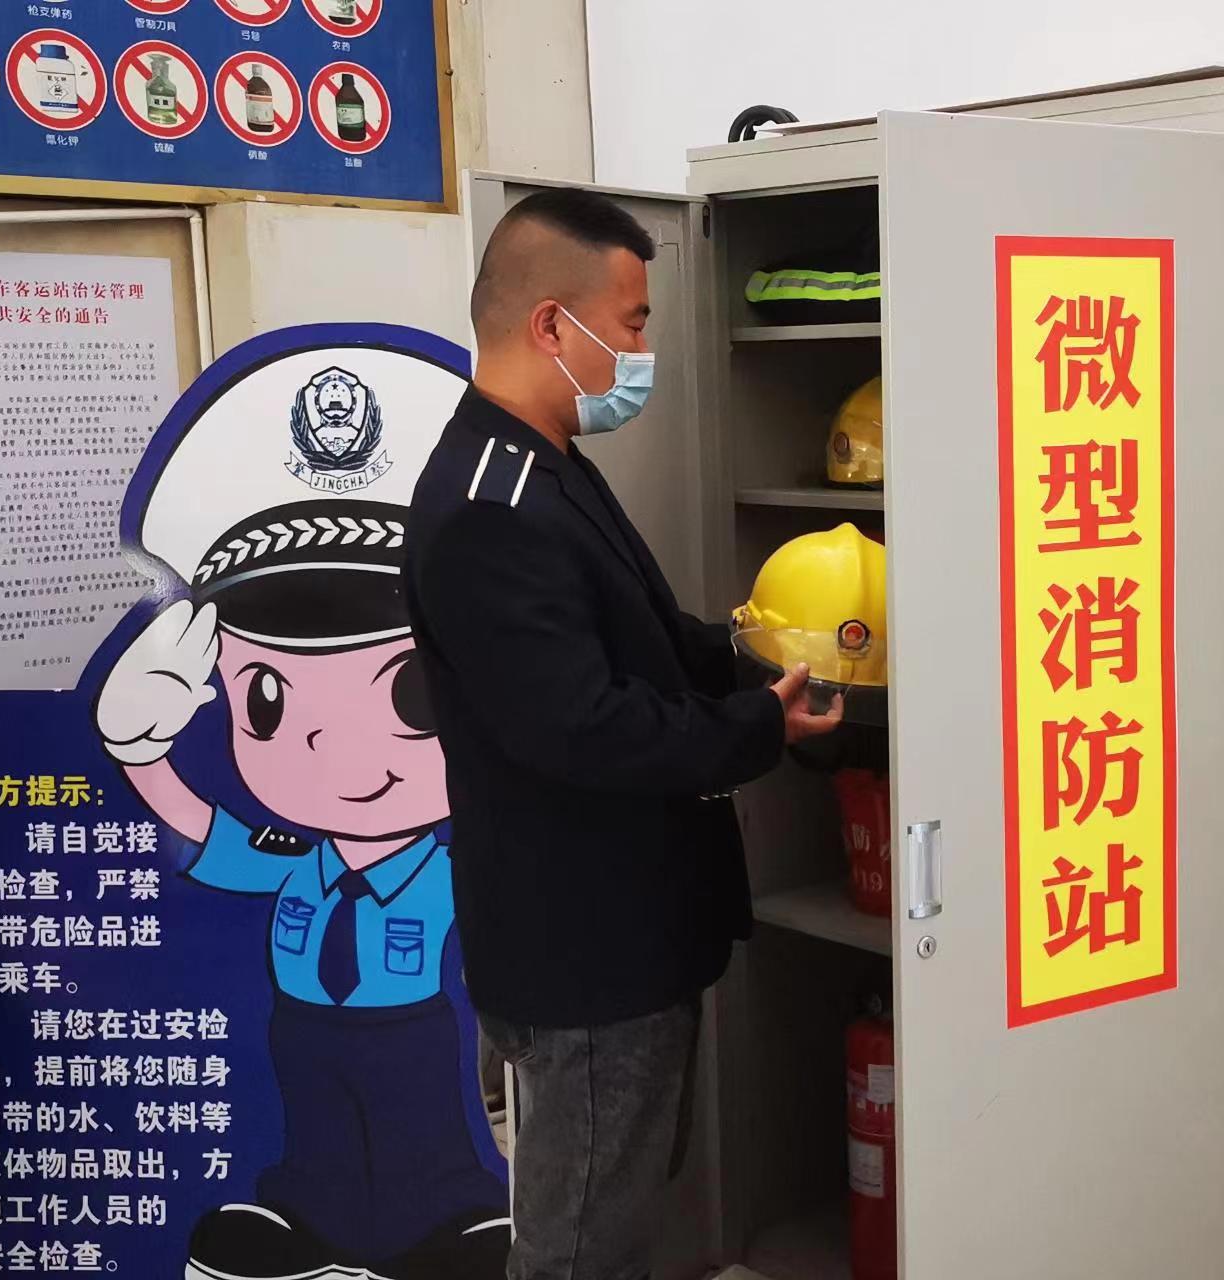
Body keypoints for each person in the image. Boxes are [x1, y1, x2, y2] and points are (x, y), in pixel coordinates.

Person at [404, 189, 842, 1277]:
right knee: (580, 1249)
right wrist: (755, 726)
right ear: (553, 325)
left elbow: (631, 634)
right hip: (584, 958)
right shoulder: (490, 507)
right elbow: (584, 727)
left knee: (616, 1215)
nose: (643, 352)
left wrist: (745, 651)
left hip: (622, 937)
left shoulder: (545, 464)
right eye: (634, 322)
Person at [93, 339, 508, 1280]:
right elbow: (201, 831)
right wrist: (139, 750)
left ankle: (445, 1222)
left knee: (422, 1132)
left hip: (414, 1034)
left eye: (412, 696)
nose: (338, 751)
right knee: (313, 1133)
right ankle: (308, 1223)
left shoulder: (458, 867)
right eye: (270, 701)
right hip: (302, 1033)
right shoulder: (290, 857)